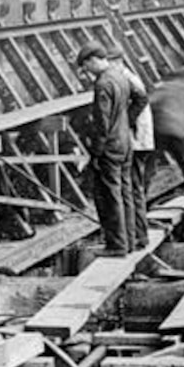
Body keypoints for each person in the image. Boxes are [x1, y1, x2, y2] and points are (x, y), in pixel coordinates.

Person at [75, 42, 134, 255]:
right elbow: (138, 100)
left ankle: (117, 245)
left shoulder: (103, 84)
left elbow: (102, 124)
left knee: (110, 196)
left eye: (86, 67)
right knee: (126, 193)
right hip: (125, 142)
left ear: (92, 60)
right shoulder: (120, 76)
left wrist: (95, 153)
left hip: (110, 147)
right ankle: (131, 240)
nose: (87, 72)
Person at [108, 47, 153, 250]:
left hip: (136, 141)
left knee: (133, 189)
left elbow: (142, 99)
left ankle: (138, 237)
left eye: (110, 63)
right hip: (138, 140)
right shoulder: (127, 77)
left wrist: (124, 123)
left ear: (118, 62)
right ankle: (137, 235)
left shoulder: (126, 79)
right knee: (134, 189)